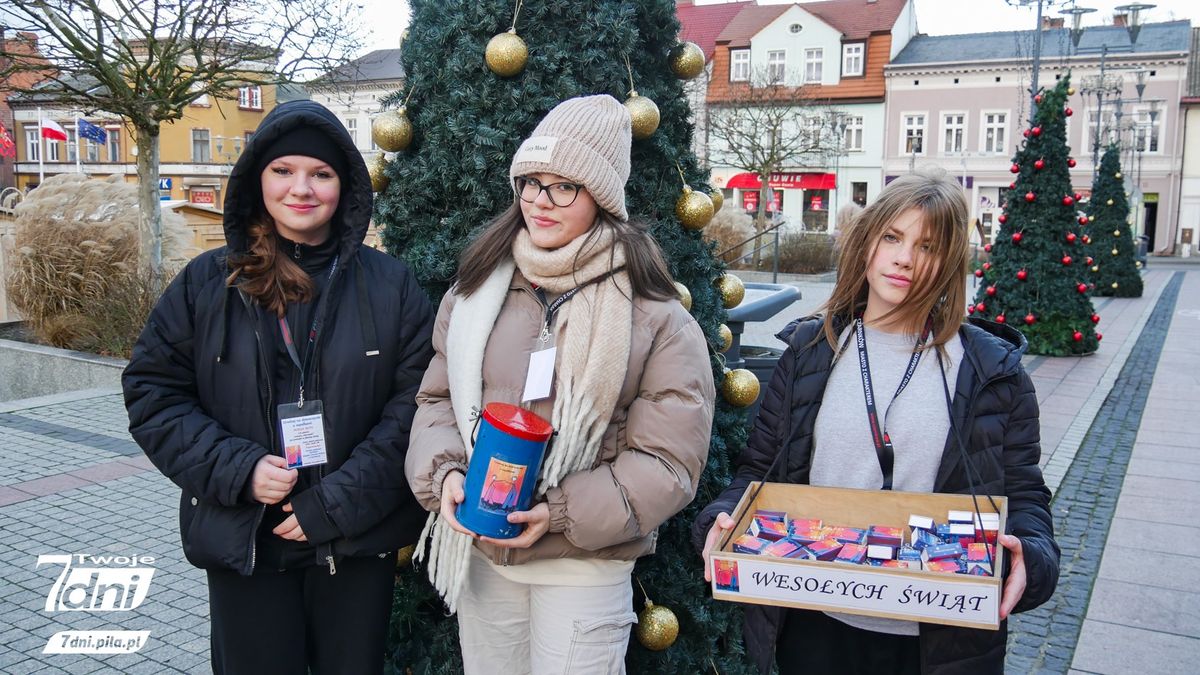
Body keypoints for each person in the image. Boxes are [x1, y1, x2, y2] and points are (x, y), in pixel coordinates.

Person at [694, 167, 1059, 674]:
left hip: (937, 639)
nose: (905, 258)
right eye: (893, 237)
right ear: (868, 244)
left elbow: (1023, 496)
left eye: (928, 247)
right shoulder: (809, 352)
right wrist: (721, 520)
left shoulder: (992, 374)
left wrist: (1032, 557)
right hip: (816, 621)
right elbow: (758, 472)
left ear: (950, 263)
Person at [405, 94, 715, 674]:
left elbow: (670, 462)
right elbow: (437, 401)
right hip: (482, 555)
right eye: (531, 182)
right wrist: (444, 472)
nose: (540, 202)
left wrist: (562, 513)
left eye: (563, 186)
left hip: (583, 564)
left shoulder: (654, 314)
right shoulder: (475, 292)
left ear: (600, 196)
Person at [123, 100, 435, 674]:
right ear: (256, 179)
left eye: (321, 174)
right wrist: (238, 468)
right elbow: (153, 394)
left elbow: (417, 408)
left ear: (345, 186)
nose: (302, 188)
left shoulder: (391, 286)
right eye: (283, 171)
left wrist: (335, 504)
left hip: (352, 543)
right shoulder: (207, 284)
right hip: (246, 540)